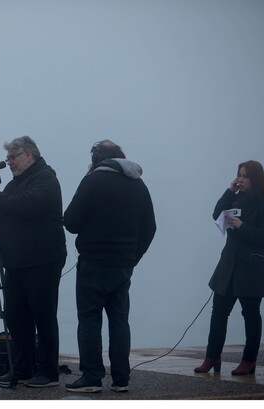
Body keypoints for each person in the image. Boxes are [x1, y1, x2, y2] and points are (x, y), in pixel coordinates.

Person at [63, 140, 156, 393]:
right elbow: (150, 228)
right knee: (119, 321)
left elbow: (70, 221)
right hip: (123, 265)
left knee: (90, 320)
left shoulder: (92, 182)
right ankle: (121, 378)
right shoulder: (139, 185)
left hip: (93, 263)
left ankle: (92, 377)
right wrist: (133, 257)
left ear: (96, 160)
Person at [0, 136, 67, 388]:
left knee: (43, 316)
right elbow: (10, 210)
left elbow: (31, 206)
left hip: (42, 260)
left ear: (29, 155)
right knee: (17, 317)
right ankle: (24, 368)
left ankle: (49, 372)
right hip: (16, 261)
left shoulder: (45, 178)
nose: (9, 163)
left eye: (12, 158)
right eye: (7, 158)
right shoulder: (16, 183)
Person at [194, 160, 264, 376]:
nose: (240, 179)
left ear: (255, 179)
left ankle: (249, 361)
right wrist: (229, 191)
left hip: (251, 269)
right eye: (238, 175)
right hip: (228, 266)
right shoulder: (236, 197)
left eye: (244, 176)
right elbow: (216, 214)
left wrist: (242, 226)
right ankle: (212, 357)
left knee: (250, 314)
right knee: (218, 312)